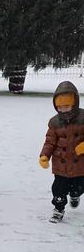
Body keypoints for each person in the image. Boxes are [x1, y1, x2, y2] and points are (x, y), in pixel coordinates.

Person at [39, 81, 84, 223]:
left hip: (80, 164)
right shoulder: (54, 122)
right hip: (61, 164)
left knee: (79, 186)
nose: (63, 110)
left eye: (66, 106)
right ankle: (58, 208)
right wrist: (44, 155)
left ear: (74, 103)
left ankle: (76, 194)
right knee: (58, 188)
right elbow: (50, 141)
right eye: (60, 107)